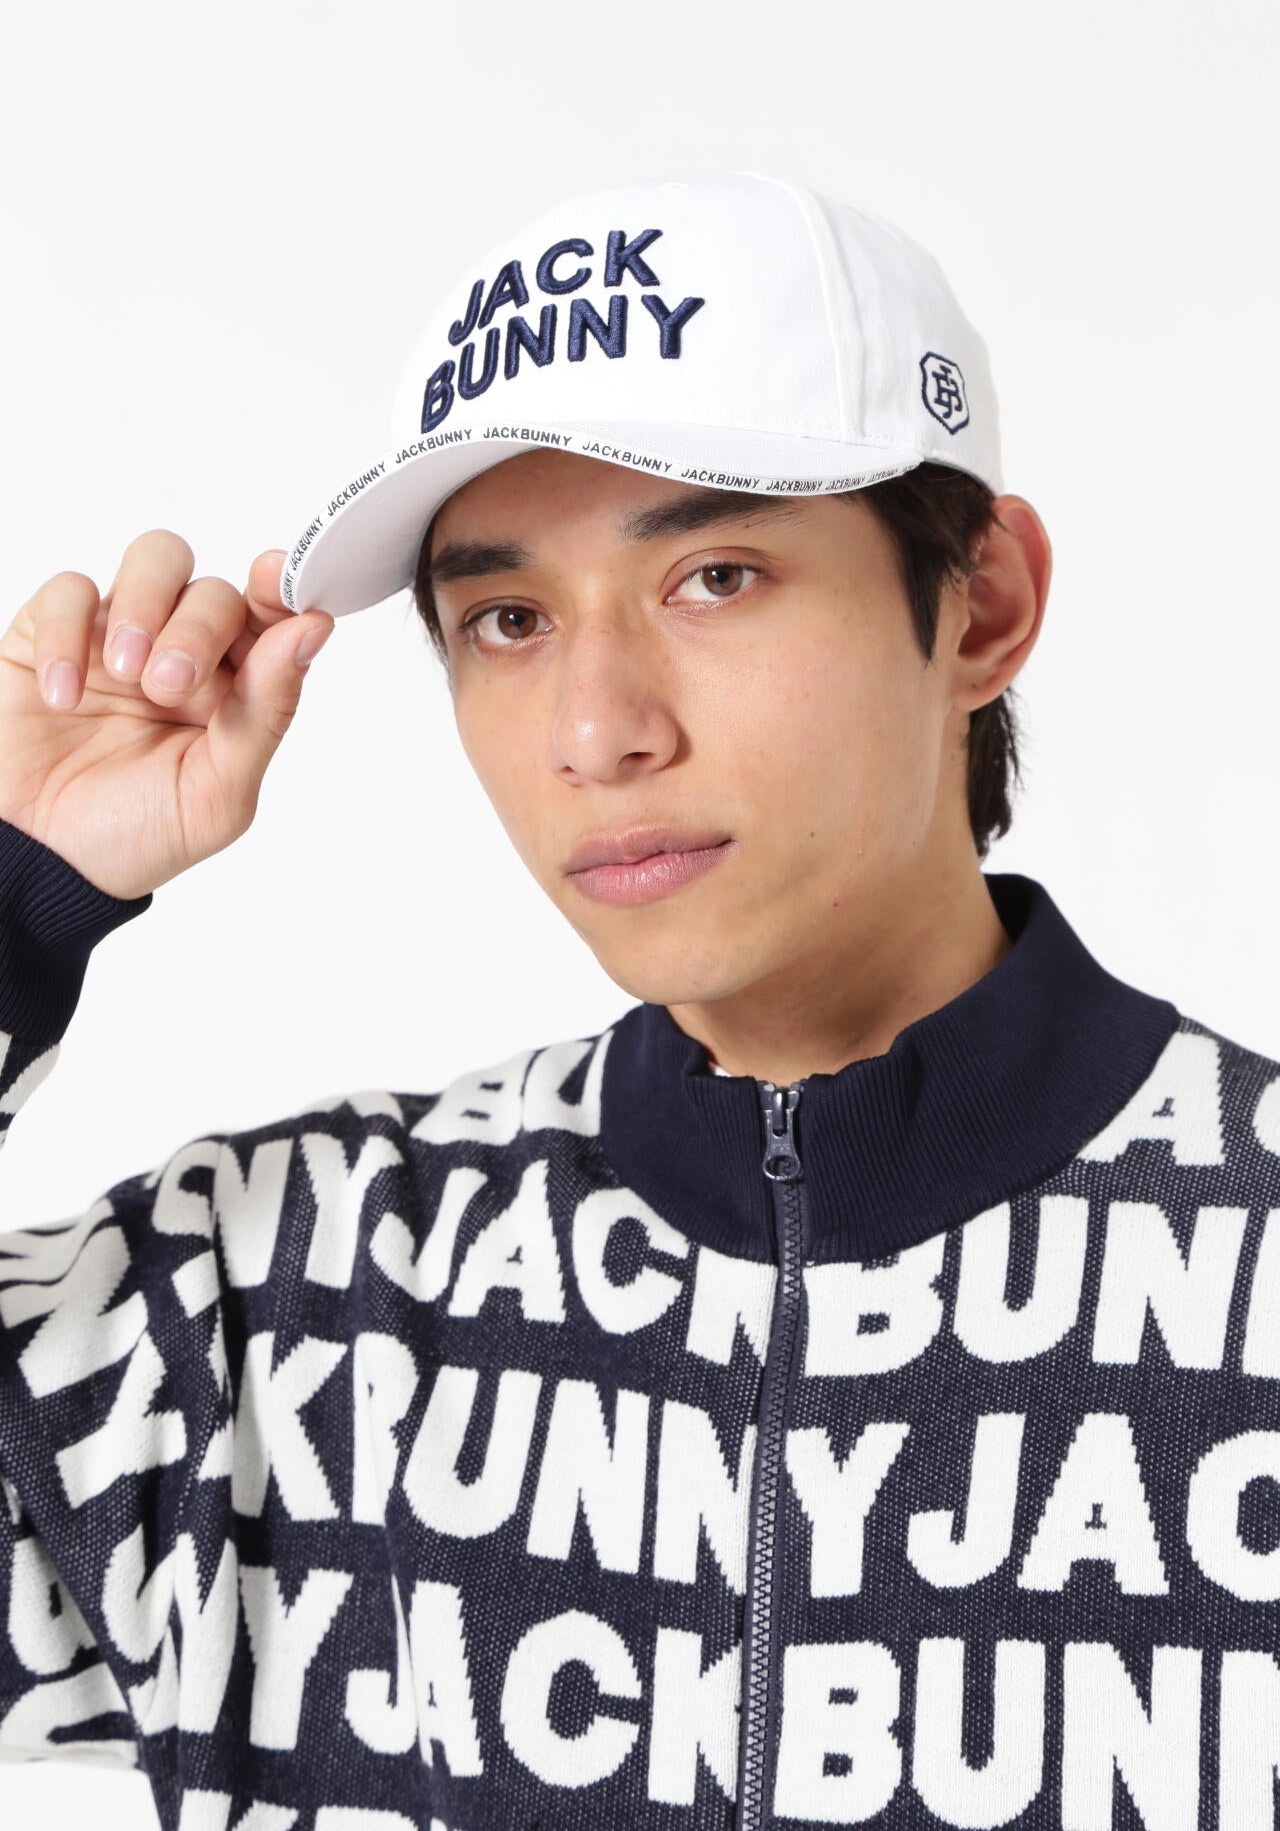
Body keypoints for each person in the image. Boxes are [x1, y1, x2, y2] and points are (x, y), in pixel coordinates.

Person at [0, 171, 1274, 1831]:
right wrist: (17, 894)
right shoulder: (281, 1299)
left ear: (985, 605)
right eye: (508, 619)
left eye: (715, 578)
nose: (597, 732)